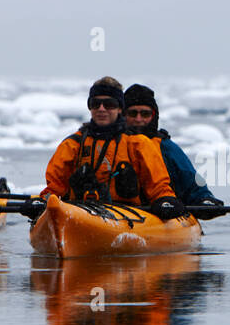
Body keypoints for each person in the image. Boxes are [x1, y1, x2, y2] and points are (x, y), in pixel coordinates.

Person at [40, 76, 186, 219]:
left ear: (120, 108)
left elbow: (158, 186)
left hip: (128, 214)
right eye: (95, 104)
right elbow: (54, 188)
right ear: (90, 107)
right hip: (80, 212)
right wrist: (43, 200)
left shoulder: (138, 144)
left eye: (109, 104)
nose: (101, 109)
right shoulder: (73, 144)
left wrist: (165, 200)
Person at [123, 84, 225, 217]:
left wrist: (204, 200)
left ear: (154, 116)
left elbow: (190, 179)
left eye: (145, 114)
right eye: (132, 113)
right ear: (123, 114)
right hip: (120, 211)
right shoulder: (113, 144)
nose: (138, 119)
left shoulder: (166, 147)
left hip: (163, 210)